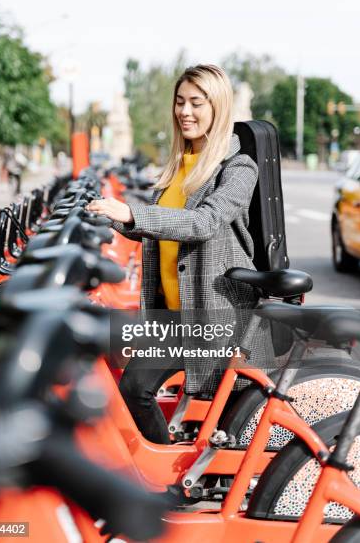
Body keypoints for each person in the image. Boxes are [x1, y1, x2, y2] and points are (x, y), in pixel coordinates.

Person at [87, 64, 259, 443]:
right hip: (172, 314)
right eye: (180, 102)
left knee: (134, 388)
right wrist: (106, 216)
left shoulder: (238, 167)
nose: (185, 111)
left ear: (218, 108)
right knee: (107, 358)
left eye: (197, 103)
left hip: (209, 314)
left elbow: (203, 222)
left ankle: (165, 482)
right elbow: (160, 230)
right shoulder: (177, 167)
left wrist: (132, 212)